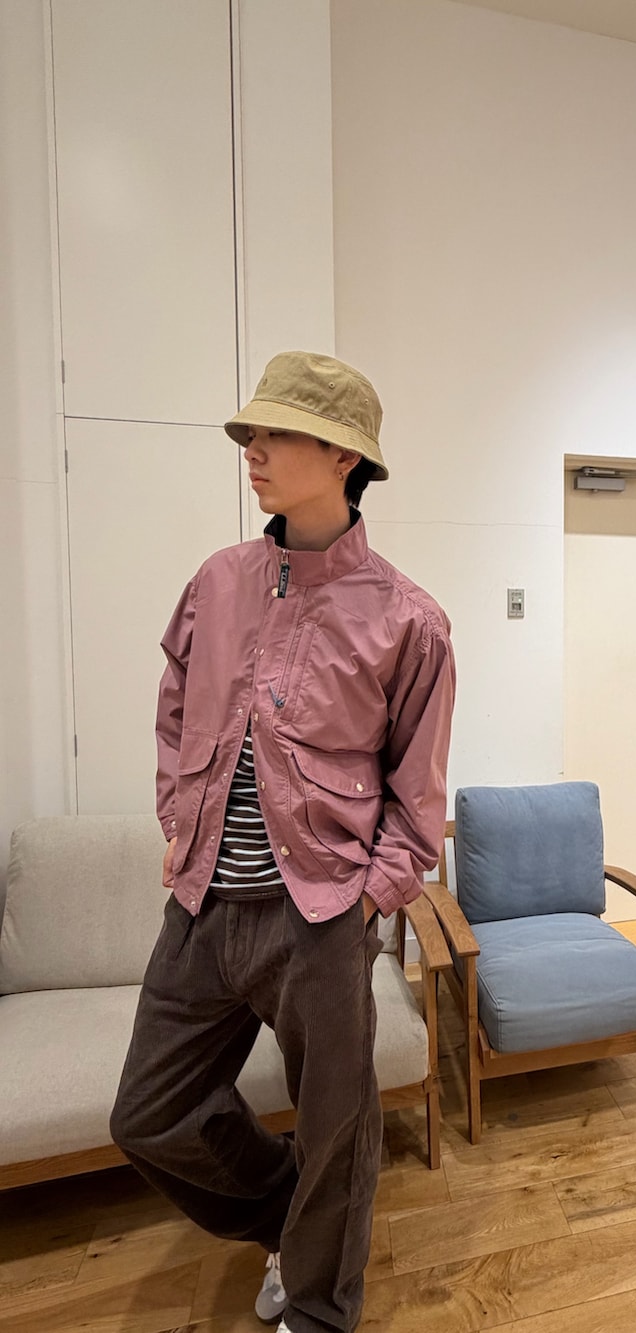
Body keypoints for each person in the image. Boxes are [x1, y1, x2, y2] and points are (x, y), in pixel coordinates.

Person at [110, 351, 456, 1333]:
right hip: (202, 906)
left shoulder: (409, 619)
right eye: (250, 434)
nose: (252, 450)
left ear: (344, 456)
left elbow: (417, 790)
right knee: (148, 1115)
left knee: (338, 1126)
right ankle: (285, 1219)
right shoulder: (217, 582)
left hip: (319, 916)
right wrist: (178, 819)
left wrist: (369, 894)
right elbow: (174, 711)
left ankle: (316, 1306)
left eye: (276, 434)